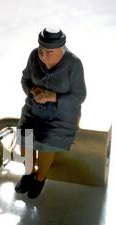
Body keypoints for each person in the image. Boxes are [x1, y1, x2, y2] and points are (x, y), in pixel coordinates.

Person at [15, 27, 87, 198]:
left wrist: (53, 96)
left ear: (61, 50)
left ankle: (40, 178)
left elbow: (79, 95)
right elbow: (25, 79)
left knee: (46, 144)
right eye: (41, 51)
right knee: (26, 139)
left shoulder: (74, 64)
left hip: (60, 115)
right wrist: (33, 90)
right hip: (34, 109)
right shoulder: (34, 56)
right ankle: (29, 172)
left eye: (50, 52)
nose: (44, 56)